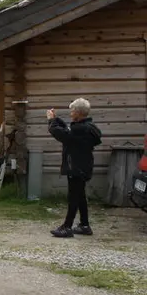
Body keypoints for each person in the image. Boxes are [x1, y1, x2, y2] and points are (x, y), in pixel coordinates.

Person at [48, 99, 102, 238]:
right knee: (80, 196)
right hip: (83, 166)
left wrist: (51, 121)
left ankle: (67, 227)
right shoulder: (87, 127)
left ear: (78, 113)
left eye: (72, 111)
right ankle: (85, 225)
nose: (71, 113)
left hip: (76, 167)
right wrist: (56, 119)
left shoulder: (80, 129)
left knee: (73, 197)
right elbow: (68, 130)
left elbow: (61, 134)